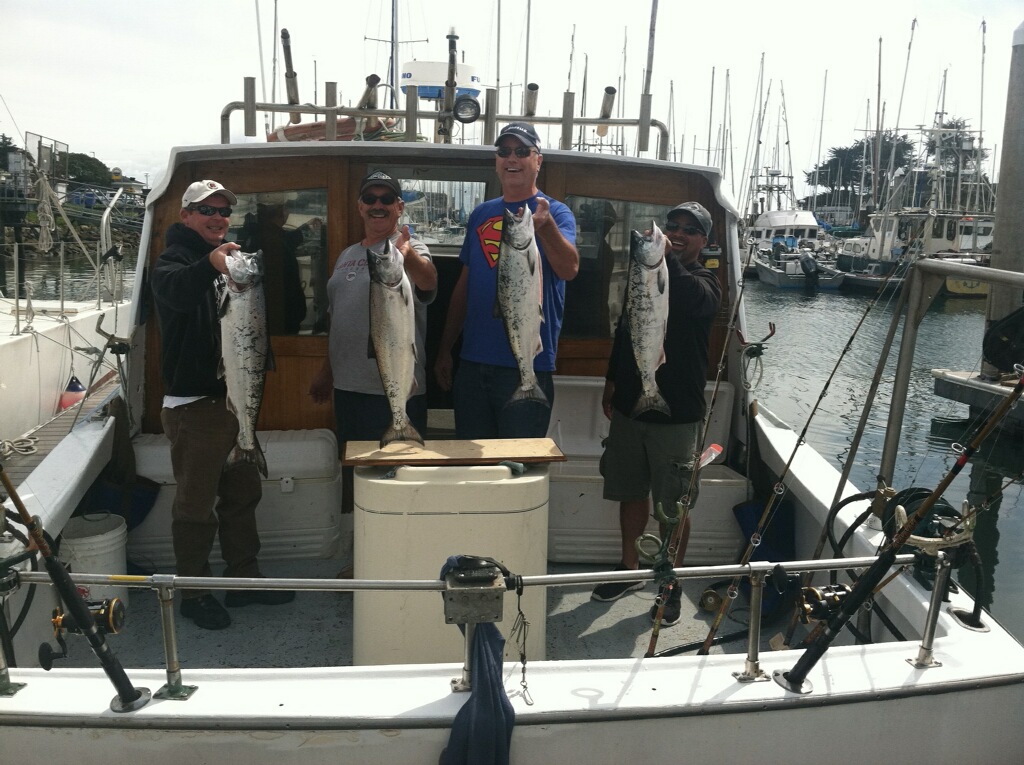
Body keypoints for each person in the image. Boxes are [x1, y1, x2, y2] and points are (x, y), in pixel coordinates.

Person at [150, 179, 295, 631]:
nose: (217, 217)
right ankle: (194, 593)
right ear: (186, 215)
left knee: (242, 497)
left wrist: (222, 265)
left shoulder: (232, 266)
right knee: (195, 507)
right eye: (207, 210)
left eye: (223, 211)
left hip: (234, 404)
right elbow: (175, 291)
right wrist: (210, 265)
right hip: (194, 408)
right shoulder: (174, 261)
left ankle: (244, 580)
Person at [589, 201, 722, 628]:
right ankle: (628, 569)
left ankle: (669, 582)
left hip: (677, 414)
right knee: (630, 492)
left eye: (689, 229)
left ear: (704, 241)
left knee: (673, 506)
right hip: (631, 406)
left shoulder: (704, 281)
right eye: (673, 226)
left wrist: (664, 259)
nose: (678, 233)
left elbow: (698, 302)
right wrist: (612, 381)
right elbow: (627, 329)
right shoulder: (643, 275)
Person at [434, 122, 579, 438]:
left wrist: (546, 228)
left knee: (517, 462)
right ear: (497, 161)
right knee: (472, 461)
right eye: (504, 151)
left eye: (522, 151)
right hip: (472, 364)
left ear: (538, 160)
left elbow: (569, 269)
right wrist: (446, 348)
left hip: (527, 365)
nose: (512, 158)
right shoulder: (481, 214)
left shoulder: (556, 213)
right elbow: (465, 286)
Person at [308, 170, 437, 459]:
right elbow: (339, 320)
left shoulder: (411, 248)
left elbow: (429, 282)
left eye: (386, 199)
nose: (378, 205)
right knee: (355, 469)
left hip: (399, 389)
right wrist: (327, 373)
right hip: (347, 387)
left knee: (399, 474)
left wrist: (408, 256)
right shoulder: (346, 255)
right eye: (370, 198)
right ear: (360, 207)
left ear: (399, 207)